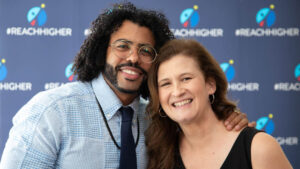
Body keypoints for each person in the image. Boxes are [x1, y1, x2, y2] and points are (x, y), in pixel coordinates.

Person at [0, 3, 252, 169]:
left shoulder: (160, 118)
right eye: (122, 46)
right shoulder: (51, 111)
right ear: (101, 51)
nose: (133, 57)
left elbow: (205, 138)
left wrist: (229, 123)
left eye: (146, 50)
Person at [145, 39, 293, 169]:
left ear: (210, 84)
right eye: (166, 84)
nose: (177, 92)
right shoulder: (160, 154)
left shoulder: (259, 148)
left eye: (186, 78)